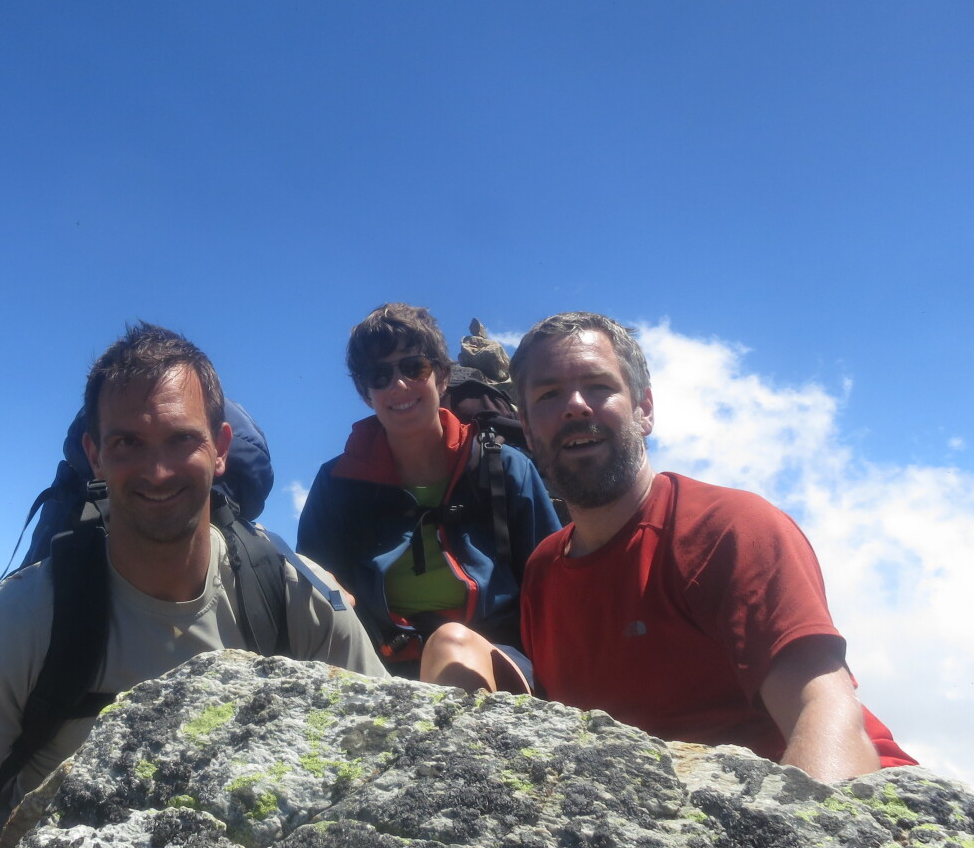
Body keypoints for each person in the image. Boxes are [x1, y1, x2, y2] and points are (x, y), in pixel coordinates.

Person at [0, 323, 387, 848]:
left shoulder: (293, 599)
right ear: (94, 456)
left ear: (219, 448)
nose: (158, 471)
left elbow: (391, 761)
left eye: (180, 440)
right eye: (127, 444)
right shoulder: (19, 623)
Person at [509, 311, 914, 779]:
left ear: (645, 409)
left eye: (599, 386)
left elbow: (823, 708)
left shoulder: (727, 528)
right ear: (526, 425)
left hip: (847, 811)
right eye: (548, 394)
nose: (575, 406)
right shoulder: (543, 571)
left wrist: (795, 844)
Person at [297, 304, 562, 693]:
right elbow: (316, 591)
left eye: (413, 367)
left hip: (497, 652)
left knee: (451, 642)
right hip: (376, 662)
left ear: (443, 375)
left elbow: (552, 586)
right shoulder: (338, 484)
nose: (398, 386)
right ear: (366, 392)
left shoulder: (502, 468)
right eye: (379, 375)